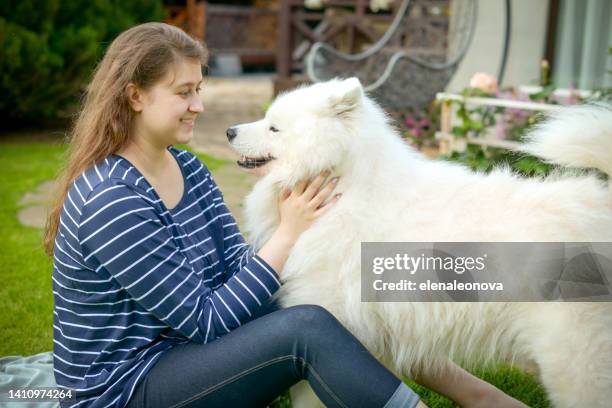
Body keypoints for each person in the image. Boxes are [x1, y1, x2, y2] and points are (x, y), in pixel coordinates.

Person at [44, 22, 525, 408]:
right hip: (130, 385)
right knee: (308, 328)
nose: (200, 105)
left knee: (360, 301)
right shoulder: (113, 199)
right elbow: (207, 320)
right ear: (135, 96)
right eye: (183, 92)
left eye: (199, 88)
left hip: (188, 350)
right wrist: (289, 233)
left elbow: (236, 265)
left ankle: (483, 397)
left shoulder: (185, 165)